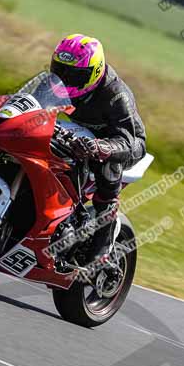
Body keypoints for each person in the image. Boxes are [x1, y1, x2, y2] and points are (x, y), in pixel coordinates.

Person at [49, 33, 147, 265]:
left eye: (74, 75)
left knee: (107, 162)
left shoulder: (115, 95)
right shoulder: (57, 83)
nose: (65, 79)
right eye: (60, 70)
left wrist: (100, 147)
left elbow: (127, 139)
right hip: (78, 131)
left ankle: (102, 241)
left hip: (123, 141)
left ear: (94, 72)